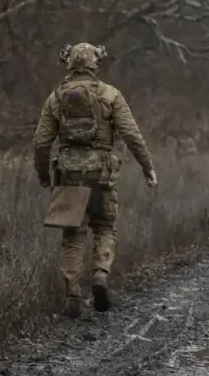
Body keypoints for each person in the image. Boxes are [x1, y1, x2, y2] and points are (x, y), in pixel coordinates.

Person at [33, 42, 158, 318]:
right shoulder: (110, 95)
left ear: (69, 64)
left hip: (68, 175)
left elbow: (41, 142)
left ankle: (73, 295)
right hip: (101, 174)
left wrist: (44, 176)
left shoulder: (56, 98)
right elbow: (131, 134)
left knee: (73, 234)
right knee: (104, 226)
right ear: (95, 64)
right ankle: (100, 276)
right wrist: (147, 167)